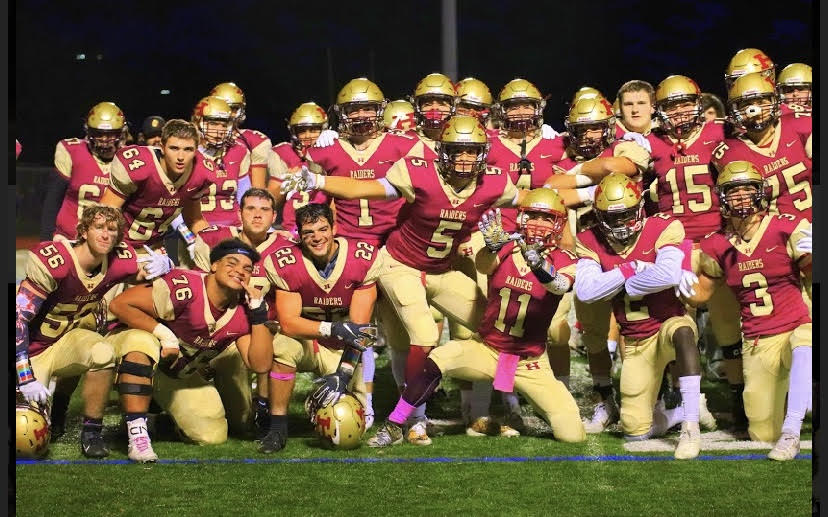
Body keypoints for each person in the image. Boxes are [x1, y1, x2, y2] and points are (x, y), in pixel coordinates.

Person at [281, 115, 531, 445]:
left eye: (472, 151)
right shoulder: (419, 170)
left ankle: (492, 407)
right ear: (443, 152)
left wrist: (589, 191)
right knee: (425, 335)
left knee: (499, 327)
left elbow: (532, 198)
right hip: (400, 266)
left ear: (484, 153)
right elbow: (362, 188)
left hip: (443, 269)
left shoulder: (494, 182)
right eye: (457, 151)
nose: (465, 159)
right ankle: (410, 418)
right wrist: (318, 182)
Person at [368, 189, 585, 446]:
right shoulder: (506, 249)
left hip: (530, 363)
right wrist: (491, 248)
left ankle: (518, 408)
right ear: (521, 218)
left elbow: (559, 285)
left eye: (546, 218)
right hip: (488, 349)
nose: (538, 224)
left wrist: (539, 265)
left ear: (559, 224)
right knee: (439, 357)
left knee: (572, 434)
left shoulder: (565, 259)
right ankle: (396, 422)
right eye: (533, 216)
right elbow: (484, 265)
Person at [574, 173, 713, 459]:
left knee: (685, 331)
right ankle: (676, 414)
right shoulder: (589, 239)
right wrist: (631, 268)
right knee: (635, 431)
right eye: (612, 218)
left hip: (666, 327)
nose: (621, 224)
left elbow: (669, 275)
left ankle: (690, 425)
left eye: (626, 215)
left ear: (639, 208)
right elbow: (587, 291)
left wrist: (621, 277)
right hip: (635, 343)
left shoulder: (663, 226)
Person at [15, 206, 172, 458]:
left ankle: (91, 432)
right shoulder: (57, 261)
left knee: (102, 352)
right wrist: (25, 376)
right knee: (24, 433)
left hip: (66, 339)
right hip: (29, 350)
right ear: (83, 231)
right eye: (99, 227)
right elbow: (18, 319)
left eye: (112, 230)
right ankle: (51, 410)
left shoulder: (118, 261)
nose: (105, 235)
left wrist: (166, 264)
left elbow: (142, 272)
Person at [686, 161, 811, 460]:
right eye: (734, 191)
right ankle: (789, 406)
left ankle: (793, 430)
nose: (741, 198)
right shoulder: (715, 245)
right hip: (758, 340)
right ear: (722, 197)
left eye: (747, 190)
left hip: (797, 324)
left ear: (761, 193)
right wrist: (676, 281)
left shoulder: (787, 227)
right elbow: (700, 296)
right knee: (762, 432)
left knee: (806, 342)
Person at [108, 238, 272, 461]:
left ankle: (156, 419)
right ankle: (137, 434)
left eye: (246, 268)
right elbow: (119, 304)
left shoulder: (243, 309)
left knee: (213, 434)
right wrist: (166, 337)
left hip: (176, 374)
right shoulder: (185, 285)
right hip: (138, 357)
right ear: (214, 265)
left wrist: (259, 315)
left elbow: (260, 364)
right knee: (141, 342)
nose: (239, 271)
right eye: (231, 263)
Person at [649, 75, 742, 422]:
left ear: (700, 104)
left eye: (686, 103)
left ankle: (737, 395)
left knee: (726, 324)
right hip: (676, 246)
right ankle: (683, 397)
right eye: (672, 105)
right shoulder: (652, 144)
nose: (680, 111)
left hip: (717, 240)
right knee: (678, 325)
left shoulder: (721, 134)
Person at [259, 203, 380, 453]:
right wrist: (333, 328)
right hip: (308, 340)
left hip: (345, 349)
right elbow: (290, 323)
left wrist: (344, 374)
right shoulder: (287, 262)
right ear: (299, 236)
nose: (316, 238)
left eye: (322, 229)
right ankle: (277, 427)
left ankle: (356, 394)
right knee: (282, 345)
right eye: (308, 233)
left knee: (354, 425)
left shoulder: (361, 258)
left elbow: (362, 331)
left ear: (335, 228)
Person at [190, 188, 290, 439]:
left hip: (260, 327)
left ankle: (264, 404)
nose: (257, 216)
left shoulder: (287, 247)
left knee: (242, 423)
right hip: (219, 326)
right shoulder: (214, 239)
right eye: (251, 209)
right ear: (239, 213)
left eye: (264, 210)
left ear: (274, 215)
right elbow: (199, 290)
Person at [99, 119, 214, 253]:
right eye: (174, 148)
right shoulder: (138, 167)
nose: (181, 157)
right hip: (118, 246)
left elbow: (194, 219)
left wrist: (218, 247)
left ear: (196, 150)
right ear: (162, 147)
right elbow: (104, 215)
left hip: (155, 250)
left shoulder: (201, 173)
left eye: (188, 149)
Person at [42, 101, 127, 242]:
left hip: (107, 241)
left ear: (121, 134)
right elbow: (52, 200)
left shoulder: (128, 160)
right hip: (68, 237)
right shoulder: (72, 151)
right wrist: (46, 240)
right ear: (89, 132)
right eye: (98, 134)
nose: (104, 141)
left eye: (110, 135)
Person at [268, 102, 331, 236]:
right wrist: (286, 183)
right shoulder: (283, 153)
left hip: (325, 229)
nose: (308, 136)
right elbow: (270, 203)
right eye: (302, 130)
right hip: (291, 231)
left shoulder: (334, 152)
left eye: (313, 129)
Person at [191, 96, 251, 228]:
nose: (219, 130)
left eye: (224, 125)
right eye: (213, 123)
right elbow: (172, 204)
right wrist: (189, 238)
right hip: (198, 229)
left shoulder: (238, 151)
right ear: (198, 122)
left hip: (234, 228)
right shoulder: (187, 153)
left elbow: (246, 200)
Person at [210, 82, 273, 190]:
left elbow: (258, 189)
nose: (227, 114)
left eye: (233, 109)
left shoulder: (254, 141)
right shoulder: (198, 137)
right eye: (222, 108)